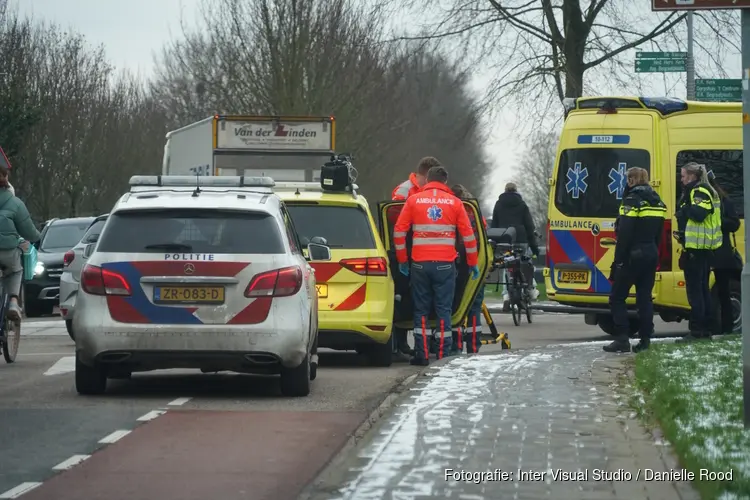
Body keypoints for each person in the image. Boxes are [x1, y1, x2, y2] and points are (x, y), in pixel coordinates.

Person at [393, 167, 479, 365]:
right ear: (445, 182)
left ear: (428, 180)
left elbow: (399, 231)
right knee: (443, 309)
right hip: (445, 265)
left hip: (419, 265)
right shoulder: (455, 203)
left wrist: (403, 260)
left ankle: (421, 354)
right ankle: (443, 355)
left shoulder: (413, 201)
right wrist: (473, 263)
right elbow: (468, 236)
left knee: (421, 310)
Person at [603, 167, 666, 353]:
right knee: (644, 298)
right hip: (650, 253)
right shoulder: (658, 202)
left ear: (632, 180)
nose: (626, 181)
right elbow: (659, 234)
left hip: (632, 255)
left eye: (628, 179)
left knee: (617, 297)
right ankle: (645, 340)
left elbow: (625, 234)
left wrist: (618, 260)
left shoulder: (631, 201)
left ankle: (622, 339)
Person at [675, 162, 723, 342]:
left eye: (683, 176)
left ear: (693, 176)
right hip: (699, 248)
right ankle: (704, 330)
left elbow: (699, 214)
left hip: (698, 249)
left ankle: (697, 331)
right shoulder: (700, 190)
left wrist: (684, 209)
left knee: (696, 292)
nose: (682, 179)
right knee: (702, 291)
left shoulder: (699, 191)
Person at [0, 165, 41, 320]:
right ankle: (13, 301)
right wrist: (38, 236)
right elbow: (28, 231)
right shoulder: (15, 203)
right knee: (16, 270)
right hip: (8, 250)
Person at [491, 183, 539, 306]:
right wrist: (534, 248)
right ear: (516, 191)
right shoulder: (522, 205)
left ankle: (506, 295)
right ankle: (530, 288)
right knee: (526, 262)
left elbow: (494, 225)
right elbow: (529, 227)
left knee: (506, 265)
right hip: (521, 239)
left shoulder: (499, 204)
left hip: (505, 240)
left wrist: (494, 244)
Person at [451, 184, 485, 355]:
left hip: (456, 264)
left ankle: (455, 347)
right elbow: (482, 236)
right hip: (475, 265)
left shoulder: (450, 211)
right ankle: (473, 348)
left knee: (455, 306)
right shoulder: (474, 212)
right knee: (474, 307)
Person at [708, 172, 741, 335]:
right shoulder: (702, 199)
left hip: (721, 252)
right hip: (705, 252)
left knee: (723, 292)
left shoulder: (724, 201)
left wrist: (718, 221)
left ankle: (727, 327)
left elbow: (734, 223)